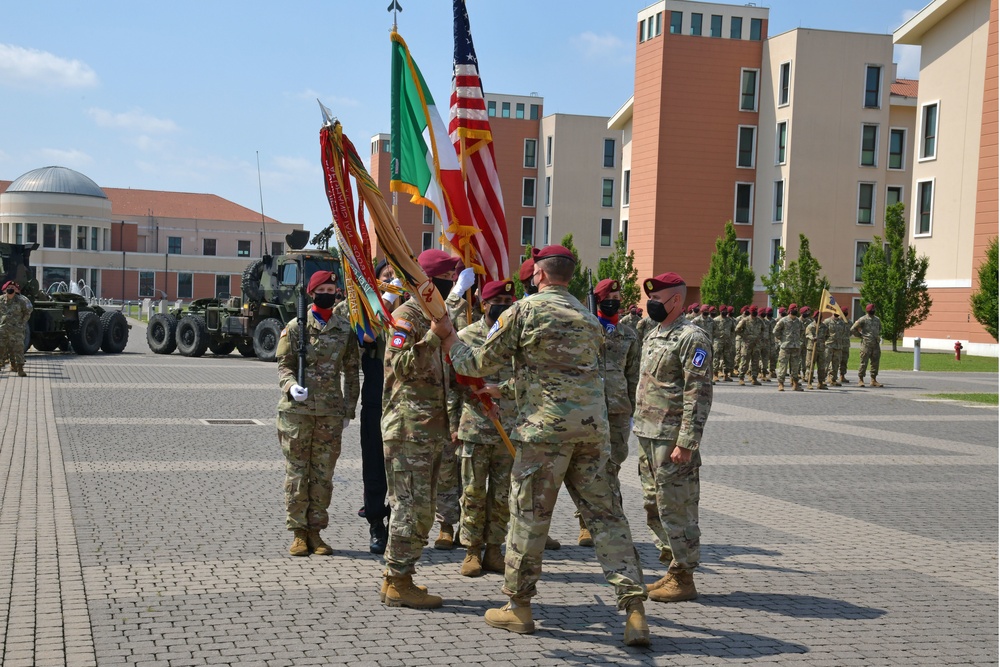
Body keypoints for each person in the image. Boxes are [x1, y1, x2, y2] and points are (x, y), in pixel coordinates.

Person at [432, 244, 650, 647]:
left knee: (529, 518)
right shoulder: (588, 318)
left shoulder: (524, 310)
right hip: (591, 431)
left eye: (533, 273)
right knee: (608, 519)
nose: (531, 279)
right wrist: (510, 389)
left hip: (544, 434)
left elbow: (475, 363)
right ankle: (635, 609)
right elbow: (569, 376)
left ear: (543, 276)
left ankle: (519, 607)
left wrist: (449, 340)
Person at [380, 249, 466, 609]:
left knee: (423, 508)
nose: (451, 285)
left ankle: (399, 577)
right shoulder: (407, 316)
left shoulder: (439, 315)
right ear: (430, 282)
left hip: (431, 428)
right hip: (408, 428)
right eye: (447, 279)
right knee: (409, 506)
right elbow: (398, 364)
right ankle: (398, 580)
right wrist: (433, 336)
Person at [633, 272, 713, 603]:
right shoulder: (654, 334)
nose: (650, 304)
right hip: (648, 433)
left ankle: (684, 575)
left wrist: (687, 441)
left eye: (657, 298)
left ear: (675, 301)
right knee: (654, 505)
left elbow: (698, 391)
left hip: (671, 438)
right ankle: (672, 567)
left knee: (676, 506)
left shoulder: (692, 338)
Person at [276, 270, 359, 557]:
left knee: (323, 476)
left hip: (329, 413)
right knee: (298, 474)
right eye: (321, 288)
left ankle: (316, 532)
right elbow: (284, 365)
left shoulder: (344, 329)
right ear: (312, 294)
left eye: (331, 289)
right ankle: (298, 533)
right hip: (297, 413)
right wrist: (291, 386)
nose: (327, 293)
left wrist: (349, 409)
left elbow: (351, 371)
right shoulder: (296, 327)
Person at [456, 279, 517, 577]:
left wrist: (501, 390)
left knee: (503, 494)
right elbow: (455, 383)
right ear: (484, 304)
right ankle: (471, 549)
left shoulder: (517, 336)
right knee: (473, 491)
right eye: (499, 302)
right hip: (476, 427)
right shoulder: (466, 337)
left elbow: (528, 378)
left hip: (510, 426)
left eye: (509, 302)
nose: (504, 307)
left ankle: (495, 549)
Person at [577, 278, 640, 547]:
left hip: (617, 411)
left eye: (617, 294)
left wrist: (633, 408)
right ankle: (585, 524)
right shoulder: (585, 330)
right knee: (589, 467)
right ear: (598, 300)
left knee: (612, 466)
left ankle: (612, 520)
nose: (614, 298)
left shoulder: (629, 335)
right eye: (608, 295)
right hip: (589, 410)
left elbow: (633, 375)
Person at [434, 262, 480, 550]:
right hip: (448, 397)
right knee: (448, 468)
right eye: (451, 278)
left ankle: (471, 527)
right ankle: (446, 525)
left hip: (474, 398)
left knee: (473, 471)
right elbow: (440, 322)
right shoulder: (447, 303)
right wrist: (456, 294)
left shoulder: (471, 308)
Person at [357, 259, 400, 554]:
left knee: (403, 467)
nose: (393, 281)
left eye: (398, 278)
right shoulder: (365, 308)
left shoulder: (413, 310)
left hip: (406, 400)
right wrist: (383, 303)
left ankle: (402, 527)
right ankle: (376, 522)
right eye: (387, 277)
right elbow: (364, 337)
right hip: (376, 396)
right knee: (374, 465)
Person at [0, 281, 32, 377]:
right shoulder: (1, 300)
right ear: (5, 289)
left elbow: (27, 312)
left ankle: (20, 368)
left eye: (13, 287)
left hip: (17, 330)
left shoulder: (21, 301)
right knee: (1, 348)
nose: (11, 289)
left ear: (16, 290)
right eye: (9, 287)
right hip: (3, 329)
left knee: (19, 349)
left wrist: (22, 323)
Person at [773, 303, 805, 391]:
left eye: (797, 309)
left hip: (795, 347)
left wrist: (798, 338)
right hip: (785, 347)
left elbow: (802, 330)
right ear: (790, 310)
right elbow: (775, 331)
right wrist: (782, 339)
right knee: (783, 366)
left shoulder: (799, 321)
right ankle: (781, 383)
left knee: (795, 367)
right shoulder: (783, 320)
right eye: (794, 309)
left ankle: (795, 384)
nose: (796, 310)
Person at [851, 303, 883, 387]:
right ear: (867, 311)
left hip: (875, 344)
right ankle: (861, 379)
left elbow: (879, 328)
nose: (872, 312)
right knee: (863, 363)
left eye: (873, 310)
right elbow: (853, 329)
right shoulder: (863, 319)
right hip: (866, 345)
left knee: (875, 363)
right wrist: (861, 336)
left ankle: (873, 380)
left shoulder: (877, 319)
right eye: (870, 311)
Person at [804, 312, 829, 390]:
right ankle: (809, 382)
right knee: (810, 366)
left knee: (821, 367)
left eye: (819, 316)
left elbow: (827, 335)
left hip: (821, 349)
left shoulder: (824, 327)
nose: (818, 318)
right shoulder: (811, 326)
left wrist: (822, 341)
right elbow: (807, 334)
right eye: (816, 316)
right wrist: (813, 338)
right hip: (812, 349)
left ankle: (820, 382)